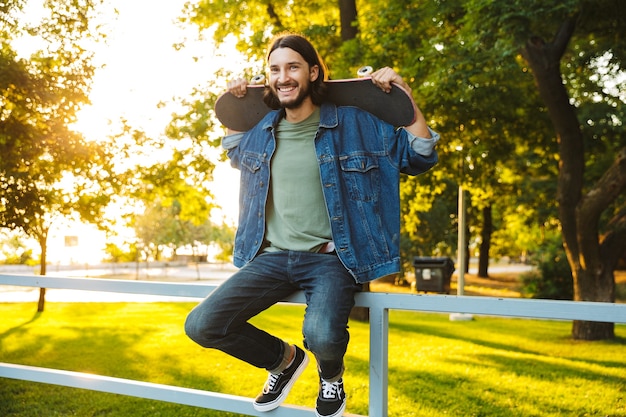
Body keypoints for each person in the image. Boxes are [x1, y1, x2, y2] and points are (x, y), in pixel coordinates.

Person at [185, 33, 439, 417]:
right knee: (203, 325)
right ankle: (284, 361)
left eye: (292, 67)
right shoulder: (262, 130)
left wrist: (404, 100)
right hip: (271, 258)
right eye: (274, 69)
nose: (283, 76)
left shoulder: (355, 123)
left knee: (322, 335)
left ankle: (330, 374)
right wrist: (237, 104)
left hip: (332, 259)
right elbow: (234, 150)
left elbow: (418, 156)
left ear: (314, 72)